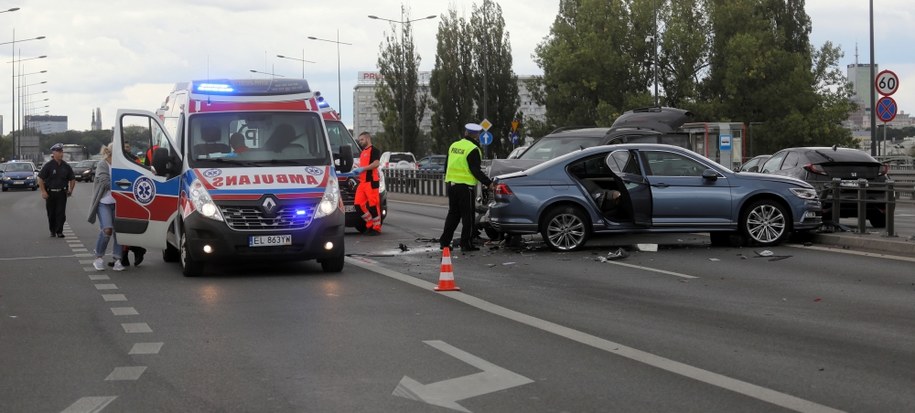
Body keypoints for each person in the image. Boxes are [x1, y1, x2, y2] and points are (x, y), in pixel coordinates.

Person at [439, 123, 493, 252]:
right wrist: (488, 183)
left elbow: (446, 167)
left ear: (465, 133)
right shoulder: (473, 149)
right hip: (465, 188)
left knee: (453, 215)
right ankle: (466, 244)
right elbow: (475, 170)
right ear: (476, 135)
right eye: (478, 135)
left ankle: (445, 242)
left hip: (451, 185)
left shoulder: (454, 146)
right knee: (468, 216)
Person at [88, 144, 125, 271]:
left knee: (119, 232)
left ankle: (117, 259)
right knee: (107, 229)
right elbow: (105, 181)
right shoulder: (102, 164)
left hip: (119, 203)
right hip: (104, 202)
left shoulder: (121, 165)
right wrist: (121, 187)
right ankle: (98, 257)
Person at [38, 143, 77, 238]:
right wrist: (43, 191)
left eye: (62, 151)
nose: (61, 154)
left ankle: (59, 231)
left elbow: (72, 178)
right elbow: (40, 179)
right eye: (59, 152)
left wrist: (70, 190)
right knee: (51, 213)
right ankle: (52, 230)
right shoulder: (48, 166)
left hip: (62, 193)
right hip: (50, 193)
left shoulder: (66, 166)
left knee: (61, 213)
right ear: (54, 153)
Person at [350, 132, 382, 235]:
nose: (360, 142)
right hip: (362, 182)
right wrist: (357, 169)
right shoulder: (363, 152)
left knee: (373, 206)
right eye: (359, 140)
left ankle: (376, 227)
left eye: (362, 140)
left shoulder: (374, 150)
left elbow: (376, 164)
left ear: (367, 139)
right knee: (358, 205)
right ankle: (370, 223)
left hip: (371, 181)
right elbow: (363, 165)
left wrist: (363, 169)